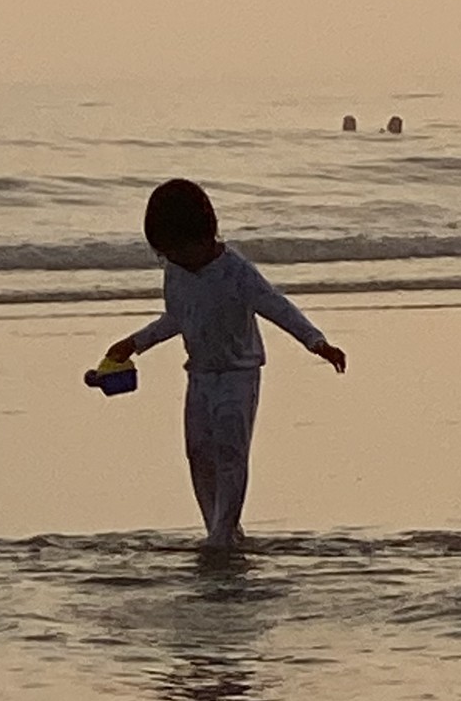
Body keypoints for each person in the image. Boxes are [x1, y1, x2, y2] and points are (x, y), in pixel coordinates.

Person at [102, 179, 345, 550]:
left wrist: (316, 342)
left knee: (232, 451)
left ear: (204, 236)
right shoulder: (176, 272)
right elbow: (177, 318)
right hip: (199, 374)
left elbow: (276, 306)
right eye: (165, 254)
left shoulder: (236, 272)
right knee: (198, 451)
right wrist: (135, 343)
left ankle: (223, 531)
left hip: (238, 373)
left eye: (178, 251)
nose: (174, 260)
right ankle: (218, 526)